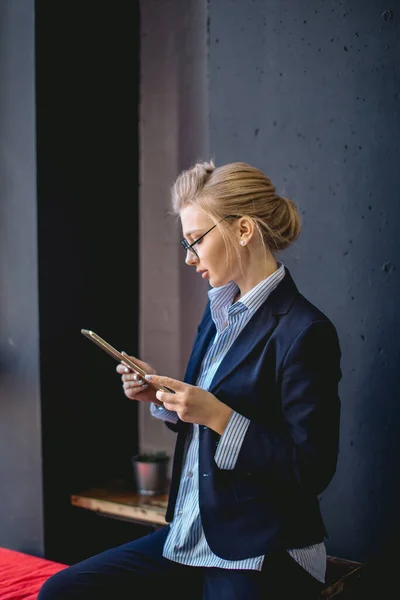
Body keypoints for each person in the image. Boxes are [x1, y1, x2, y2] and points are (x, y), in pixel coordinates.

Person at [38, 160, 342, 599]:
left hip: (262, 547)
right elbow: (201, 411)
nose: (188, 256)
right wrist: (162, 396)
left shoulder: (306, 331)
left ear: (243, 230)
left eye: (196, 240)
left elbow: (311, 470)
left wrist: (219, 416)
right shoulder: (217, 311)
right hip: (193, 533)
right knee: (62, 592)